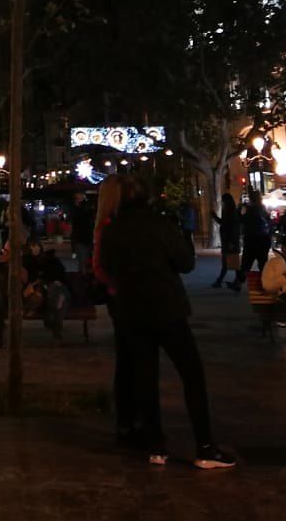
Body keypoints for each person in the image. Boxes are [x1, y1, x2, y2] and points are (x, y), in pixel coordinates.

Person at [99, 177, 235, 470]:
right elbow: (186, 263)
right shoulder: (162, 226)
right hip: (167, 309)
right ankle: (205, 446)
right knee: (192, 375)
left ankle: (156, 446)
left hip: (131, 311)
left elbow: (107, 266)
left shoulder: (114, 231)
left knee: (145, 378)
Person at [91, 174, 139, 449]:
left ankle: (130, 417)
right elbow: (99, 267)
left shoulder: (108, 225)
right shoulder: (109, 226)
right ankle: (128, 417)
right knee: (130, 358)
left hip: (121, 295)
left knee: (129, 358)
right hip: (122, 298)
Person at [231, 199, 270, 291]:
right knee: (262, 264)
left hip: (251, 241)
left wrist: (240, 207)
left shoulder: (248, 216)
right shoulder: (263, 215)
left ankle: (239, 282)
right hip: (262, 241)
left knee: (246, 265)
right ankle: (264, 284)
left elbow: (238, 218)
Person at [211, 194, 241, 288]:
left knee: (228, 262)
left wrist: (231, 242)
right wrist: (215, 217)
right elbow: (224, 223)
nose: (222, 203)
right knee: (232, 262)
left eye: (223, 201)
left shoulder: (231, 211)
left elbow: (230, 227)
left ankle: (220, 281)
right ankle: (236, 281)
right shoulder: (229, 211)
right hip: (229, 240)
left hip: (230, 241)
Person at [69, 192, 97, 273]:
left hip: (87, 237)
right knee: (84, 262)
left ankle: (85, 277)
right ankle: (83, 278)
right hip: (81, 238)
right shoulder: (76, 209)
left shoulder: (86, 207)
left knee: (88, 261)